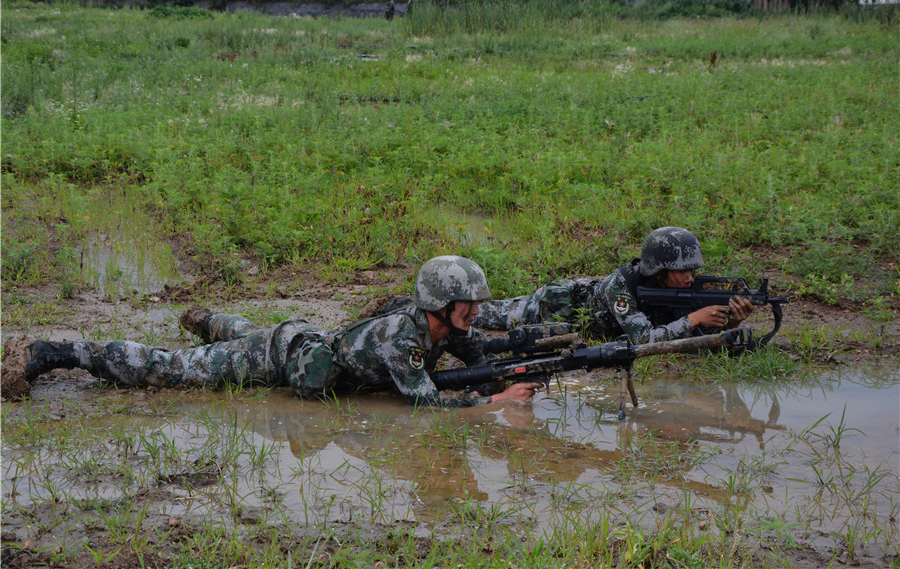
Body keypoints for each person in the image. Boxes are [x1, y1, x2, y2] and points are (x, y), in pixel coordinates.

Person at [3, 256, 542, 407]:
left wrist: (516, 365)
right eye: (467, 304)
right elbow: (425, 404)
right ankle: (61, 351)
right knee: (176, 370)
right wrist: (496, 403)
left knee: (248, 336)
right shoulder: (400, 340)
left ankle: (212, 322)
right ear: (439, 304)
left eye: (476, 303)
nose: (476, 312)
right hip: (285, 356)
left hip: (303, 342)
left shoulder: (446, 328)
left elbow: (479, 359)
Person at [475, 227, 754, 345]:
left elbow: (688, 333)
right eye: (683, 271)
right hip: (559, 304)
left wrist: (727, 324)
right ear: (659, 271)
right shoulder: (620, 286)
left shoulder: (676, 285)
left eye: (693, 270)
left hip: (587, 306)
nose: (690, 277)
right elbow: (643, 339)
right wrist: (693, 319)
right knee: (484, 314)